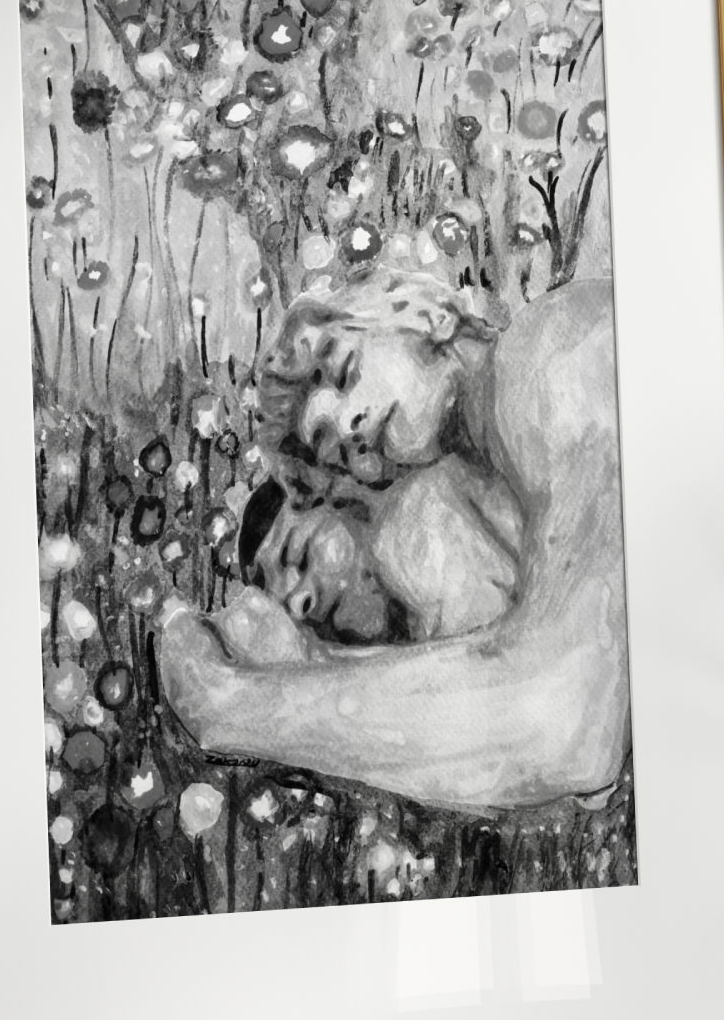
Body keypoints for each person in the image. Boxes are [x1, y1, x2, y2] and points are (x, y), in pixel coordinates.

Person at [160, 269, 629, 811]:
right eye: (329, 449)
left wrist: (227, 705)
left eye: (337, 371)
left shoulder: (545, 359)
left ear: (420, 310)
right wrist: (310, 666)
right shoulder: (482, 487)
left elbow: (567, 724)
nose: (336, 419)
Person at [234, 455, 524, 647]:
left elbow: (488, 663)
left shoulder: (415, 520)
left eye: (301, 558)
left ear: (328, 498)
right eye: (287, 612)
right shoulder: (407, 622)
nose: (299, 605)